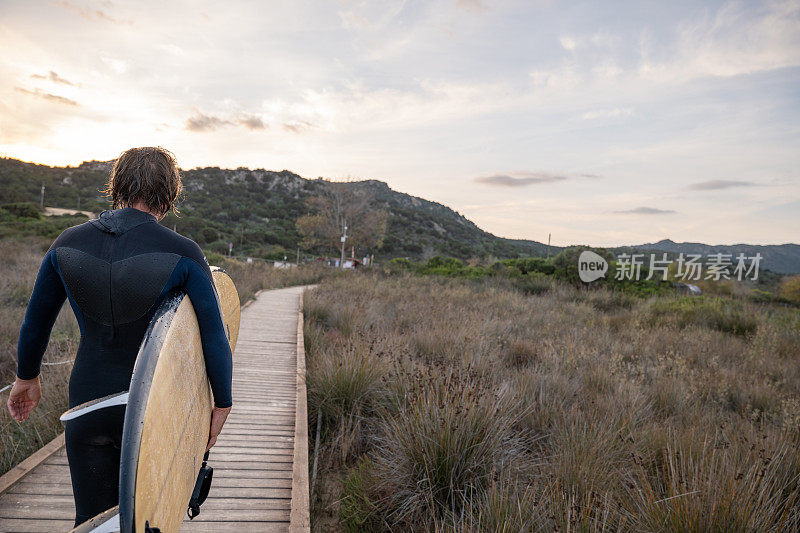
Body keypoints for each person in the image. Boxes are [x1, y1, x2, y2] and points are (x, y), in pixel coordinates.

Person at [6, 146, 234, 527]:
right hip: (153, 406)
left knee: (92, 521)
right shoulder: (183, 253)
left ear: (116, 185)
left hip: (87, 404)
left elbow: (35, 322)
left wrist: (26, 378)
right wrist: (222, 402)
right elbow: (215, 336)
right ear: (170, 193)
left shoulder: (67, 243)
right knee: (150, 522)